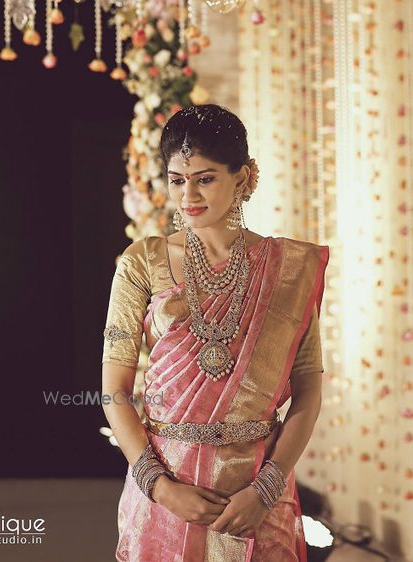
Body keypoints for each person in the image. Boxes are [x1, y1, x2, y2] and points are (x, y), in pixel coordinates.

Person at [101, 104, 329, 561]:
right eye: (177, 179)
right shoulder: (140, 264)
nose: (188, 196)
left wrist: (267, 488)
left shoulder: (288, 271)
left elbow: (308, 393)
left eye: (205, 178)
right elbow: (114, 392)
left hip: (257, 494)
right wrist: (161, 488)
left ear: (243, 179)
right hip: (166, 491)